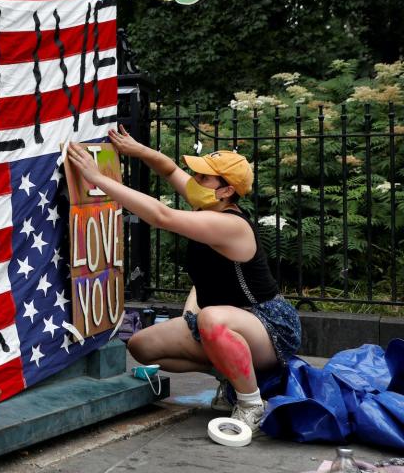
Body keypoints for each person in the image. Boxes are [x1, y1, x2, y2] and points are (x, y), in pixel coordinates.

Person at [66, 126, 302, 432]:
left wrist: (98, 179)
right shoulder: (206, 201)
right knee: (141, 346)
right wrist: (136, 149)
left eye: (204, 177)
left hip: (267, 326)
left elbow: (162, 216)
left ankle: (250, 403)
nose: (194, 181)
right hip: (224, 323)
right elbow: (169, 169)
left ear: (227, 190)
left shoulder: (231, 224)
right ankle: (229, 375)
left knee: (211, 319)